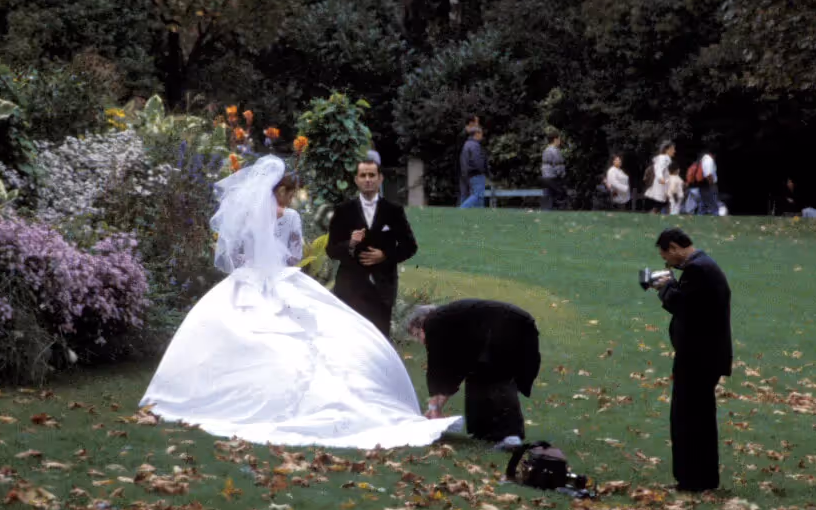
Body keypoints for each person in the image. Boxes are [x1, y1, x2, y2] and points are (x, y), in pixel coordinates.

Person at [140, 156, 459, 447]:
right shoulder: (290, 217)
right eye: (290, 193)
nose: (291, 199)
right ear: (282, 191)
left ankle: (216, 392)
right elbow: (294, 257)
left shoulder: (246, 217)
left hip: (246, 283)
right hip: (282, 280)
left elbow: (232, 256)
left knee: (230, 334)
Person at [649, 227, 732, 491]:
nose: (666, 262)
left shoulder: (698, 270)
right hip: (703, 356)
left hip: (698, 357)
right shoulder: (702, 266)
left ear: (674, 247)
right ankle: (701, 478)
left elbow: (682, 305)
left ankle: (691, 479)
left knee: (688, 420)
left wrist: (664, 287)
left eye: (666, 255)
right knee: (699, 418)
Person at [406, 300, 541, 452]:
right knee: (478, 374)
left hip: (511, 328)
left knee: (497, 378)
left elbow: (436, 370)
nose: (421, 341)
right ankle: (485, 432)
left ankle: (511, 437)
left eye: (417, 335)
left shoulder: (433, 323)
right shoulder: (449, 323)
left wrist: (434, 408)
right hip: (509, 328)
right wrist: (436, 408)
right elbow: (453, 373)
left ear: (422, 324)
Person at [327, 160, 419, 336]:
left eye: (372, 175)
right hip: (350, 288)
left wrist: (385, 255)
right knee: (349, 337)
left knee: (380, 337)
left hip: (382, 287)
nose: (368, 179)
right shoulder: (343, 210)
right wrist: (350, 243)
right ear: (356, 179)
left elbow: (410, 246)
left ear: (380, 178)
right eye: (363, 175)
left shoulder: (393, 210)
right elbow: (331, 250)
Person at [644, 142, 680, 215]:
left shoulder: (666, 159)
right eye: (673, 149)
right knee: (661, 203)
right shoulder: (663, 158)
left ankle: (656, 214)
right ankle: (654, 214)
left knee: (663, 203)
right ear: (667, 150)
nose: (674, 151)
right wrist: (660, 178)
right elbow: (659, 169)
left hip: (664, 183)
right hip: (661, 183)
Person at [459, 125, 488, 208]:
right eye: (481, 133)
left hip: (469, 174)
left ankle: (478, 214)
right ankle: (461, 210)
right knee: (477, 195)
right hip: (476, 174)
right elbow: (477, 161)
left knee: (479, 197)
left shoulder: (467, 144)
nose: (482, 135)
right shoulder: (474, 145)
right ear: (476, 134)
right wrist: (482, 171)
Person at [540, 131, 567, 210]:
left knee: (548, 196)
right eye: (559, 139)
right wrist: (562, 175)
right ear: (555, 140)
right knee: (561, 194)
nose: (560, 141)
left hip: (545, 177)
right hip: (553, 177)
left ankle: (547, 210)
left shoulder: (546, 150)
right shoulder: (555, 151)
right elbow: (558, 166)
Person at [698, 150, 719, 215]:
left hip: (703, 185)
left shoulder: (703, 160)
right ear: (714, 155)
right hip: (708, 185)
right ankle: (715, 217)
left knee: (703, 204)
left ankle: (700, 218)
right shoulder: (709, 160)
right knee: (713, 204)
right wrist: (712, 184)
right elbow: (708, 174)